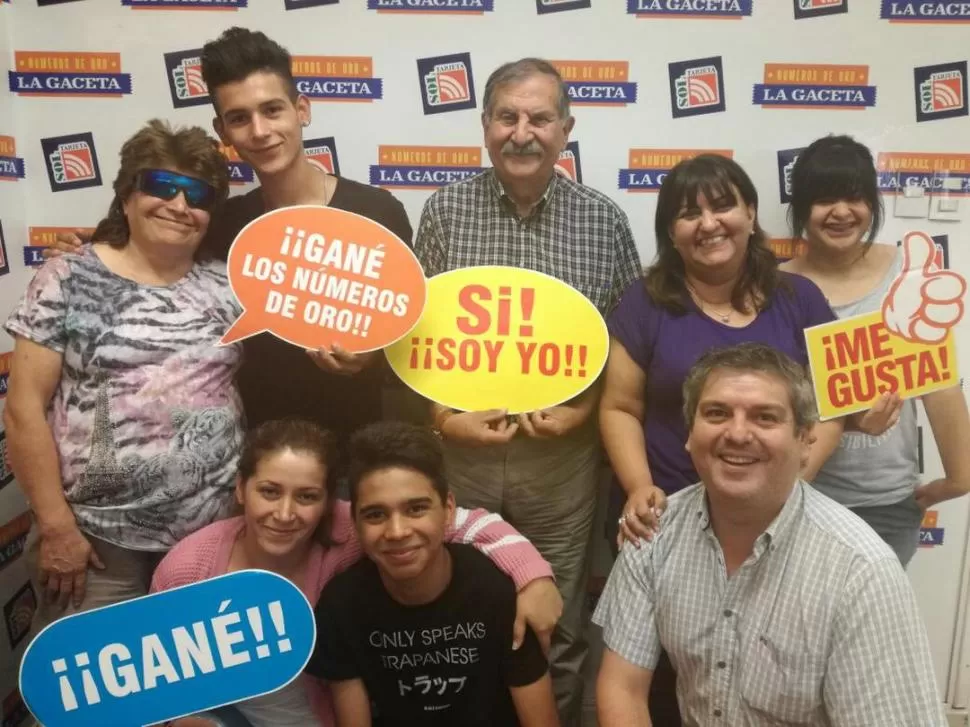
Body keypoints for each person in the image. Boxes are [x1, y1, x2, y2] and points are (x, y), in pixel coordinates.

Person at [49, 27, 415, 450]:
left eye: (273, 110)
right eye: (239, 118)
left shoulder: (377, 211)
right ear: (222, 131)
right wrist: (93, 247)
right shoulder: (221, 224)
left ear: (302, 110)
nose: (259, 131)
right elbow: (148, 257)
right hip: (251, 459)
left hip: (355, 449)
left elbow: (410, 338)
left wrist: (372, 356)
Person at [412, 57, 642, 727]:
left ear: (565, 130)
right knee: (457, 610)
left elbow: (626, 350)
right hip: (462, 453)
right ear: (484, 125)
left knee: (558, 622)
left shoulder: (603, 220)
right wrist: (442, 419)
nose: (523, 132)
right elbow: (412, 337)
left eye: (540, 118)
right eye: (507, 116)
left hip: (561, 458)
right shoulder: (445, 210)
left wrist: (583, 413)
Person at [597, 153, 846, 723]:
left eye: (722, 205)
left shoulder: (800, 299)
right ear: (671, 234)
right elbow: (618, 406)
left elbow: (835, 406)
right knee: (661, 671)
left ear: (752, 213)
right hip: (665, 520)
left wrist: (789, 487)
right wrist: (638, 488)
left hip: (777, 520)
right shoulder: (644, 302)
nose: (708, 223)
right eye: (688, 214)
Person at [594, 342, 946, 726]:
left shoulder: (861, 572)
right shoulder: (653, 533)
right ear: (690, 433)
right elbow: (622, 690)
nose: (738, 433)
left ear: (805, 441)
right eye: (716, 413)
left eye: (765, 418)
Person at [152, 418, 558, 727]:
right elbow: (154, 675)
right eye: (269, 491)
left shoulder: (358, 528)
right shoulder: (190, 569)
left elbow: (464, 523)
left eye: (308, 496)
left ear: (330, 503)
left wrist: (533, 576)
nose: (285, 513)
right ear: (242, 489)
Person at [3, 120, 242, 626]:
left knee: (193, 693)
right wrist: (55, 526)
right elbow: (23, 407)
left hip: (210, 535)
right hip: (93, 540)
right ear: (127, 194)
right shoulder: (67, 276)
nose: (179, 205)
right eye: (161, 185)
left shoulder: (232, 285)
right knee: (91, 701)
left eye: (196, 194)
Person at [781, 134, 970, 565]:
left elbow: (939, 383)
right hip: (799, 496)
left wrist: (958, 479)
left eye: (855, 197)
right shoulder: (778, 287)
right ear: (802, 207)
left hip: (887, 504)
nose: (842, 212)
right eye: (824, 199)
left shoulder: (909, 274)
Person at [306, 421, 560, 727]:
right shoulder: (341, 605)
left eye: (416, 509)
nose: (397, 531)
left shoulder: (499, 591)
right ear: (356, 524)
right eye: (376, 515)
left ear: (448, 509)